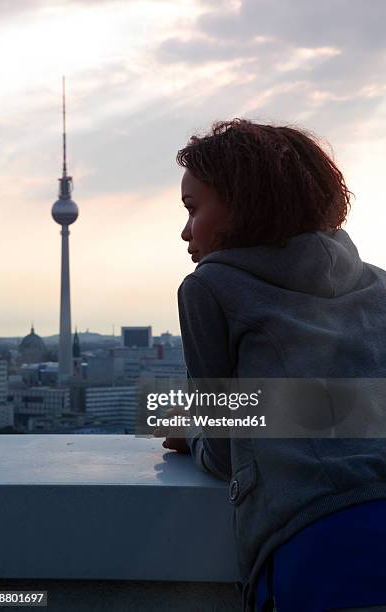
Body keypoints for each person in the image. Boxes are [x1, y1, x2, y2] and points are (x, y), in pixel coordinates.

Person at [156, 119, 386, 612]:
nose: (184, 232)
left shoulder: (211, 286)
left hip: (321, 539)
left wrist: (193, 433)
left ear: (241, 208)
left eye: (193, 210)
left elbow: (221, 454)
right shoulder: (378, 284)